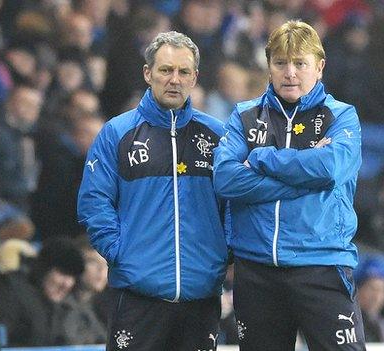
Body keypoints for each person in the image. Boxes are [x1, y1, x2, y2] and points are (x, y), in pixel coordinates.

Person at [213, 20, 365, 350]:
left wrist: (263, 157)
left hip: (322, 266)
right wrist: (304, 179)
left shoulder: (341, 116)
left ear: (319, 66)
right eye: (281, 63)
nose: (290, 73)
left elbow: (329, 168)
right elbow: (225, 178)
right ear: (268, 66)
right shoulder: (244, 115)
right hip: (257, 271)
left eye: (300, 63)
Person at [77, 31, 228, 351]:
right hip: (137, 297)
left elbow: (235, 203)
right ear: (148, 74)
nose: (174, 79)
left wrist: (221, 255)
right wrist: (121, 252)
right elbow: (94, 200)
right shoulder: (117, 133)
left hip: (200, 297)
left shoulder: (217, 136)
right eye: (165, 70)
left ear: (195, 77)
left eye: (183, 72)